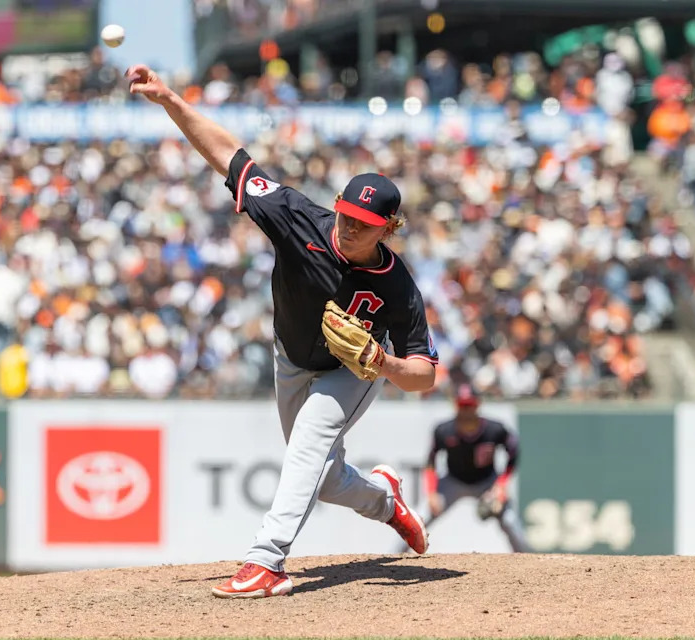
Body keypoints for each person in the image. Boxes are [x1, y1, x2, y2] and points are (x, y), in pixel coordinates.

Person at [126, 64, 439, 599]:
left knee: (310, 441)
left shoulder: (399, 288)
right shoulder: (297, 217)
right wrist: (172, 100)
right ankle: (386, 500)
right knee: (322, 476)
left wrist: (382, 364)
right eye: (345, 214)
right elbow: (230, 155)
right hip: (290, 357)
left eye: (363, 223)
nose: (348, 225)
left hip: (352, 370)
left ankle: (266, 562)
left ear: (389, 228)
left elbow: (425, 376)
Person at [420, 384, 528, 552]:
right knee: (419, 519)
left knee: (509, 521)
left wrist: (501, 485)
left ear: (477, 405)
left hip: (487, 483)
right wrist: (431, 493)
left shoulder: (494, 429)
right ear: (456, 405)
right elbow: (430, 463)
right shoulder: (444, 430)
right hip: (452, 481)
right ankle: (394, 558)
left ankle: (526, 562)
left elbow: (513, 452)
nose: (466, 410)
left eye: (469, 405)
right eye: (462, 405)